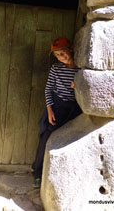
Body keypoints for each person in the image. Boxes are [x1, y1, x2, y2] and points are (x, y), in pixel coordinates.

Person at [32, 37, 82, 188]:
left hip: (74, 109)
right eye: (57, 55)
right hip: (57, 108)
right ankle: (37, 173)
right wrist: (49, 111)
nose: (61, 57)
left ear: (70, 50)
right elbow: (48, 89)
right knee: (46, 137)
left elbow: (83, 91)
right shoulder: (56, 68)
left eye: (63, 53)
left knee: (70, 140)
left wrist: (78, 84)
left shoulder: (80, 70)